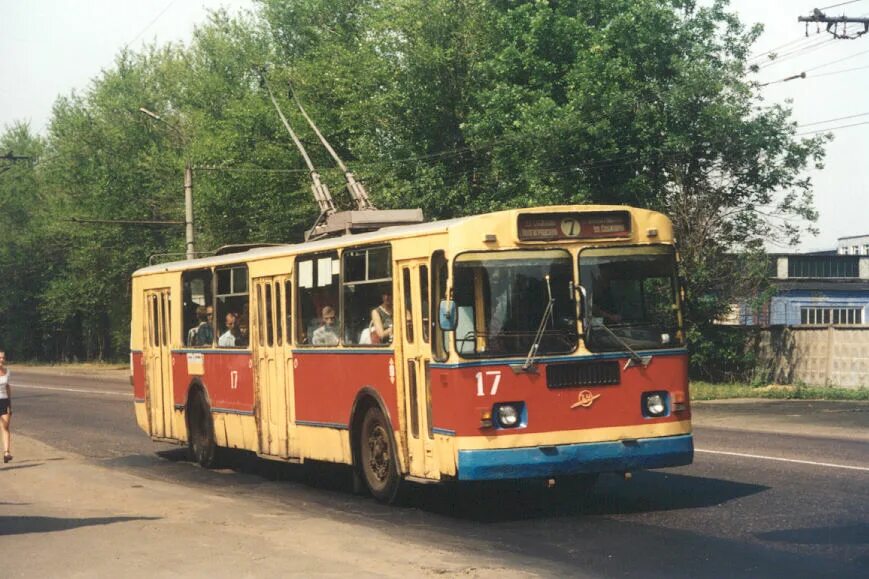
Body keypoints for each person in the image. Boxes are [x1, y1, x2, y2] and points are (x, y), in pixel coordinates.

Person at [0, 350, 12, 463]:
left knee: (5, 427)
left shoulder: (8, 371)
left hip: (3, 401)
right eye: (0, 357)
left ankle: (7, 453)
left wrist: (9, 404)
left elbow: (7, 388)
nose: (1, 360)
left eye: (3, 357)